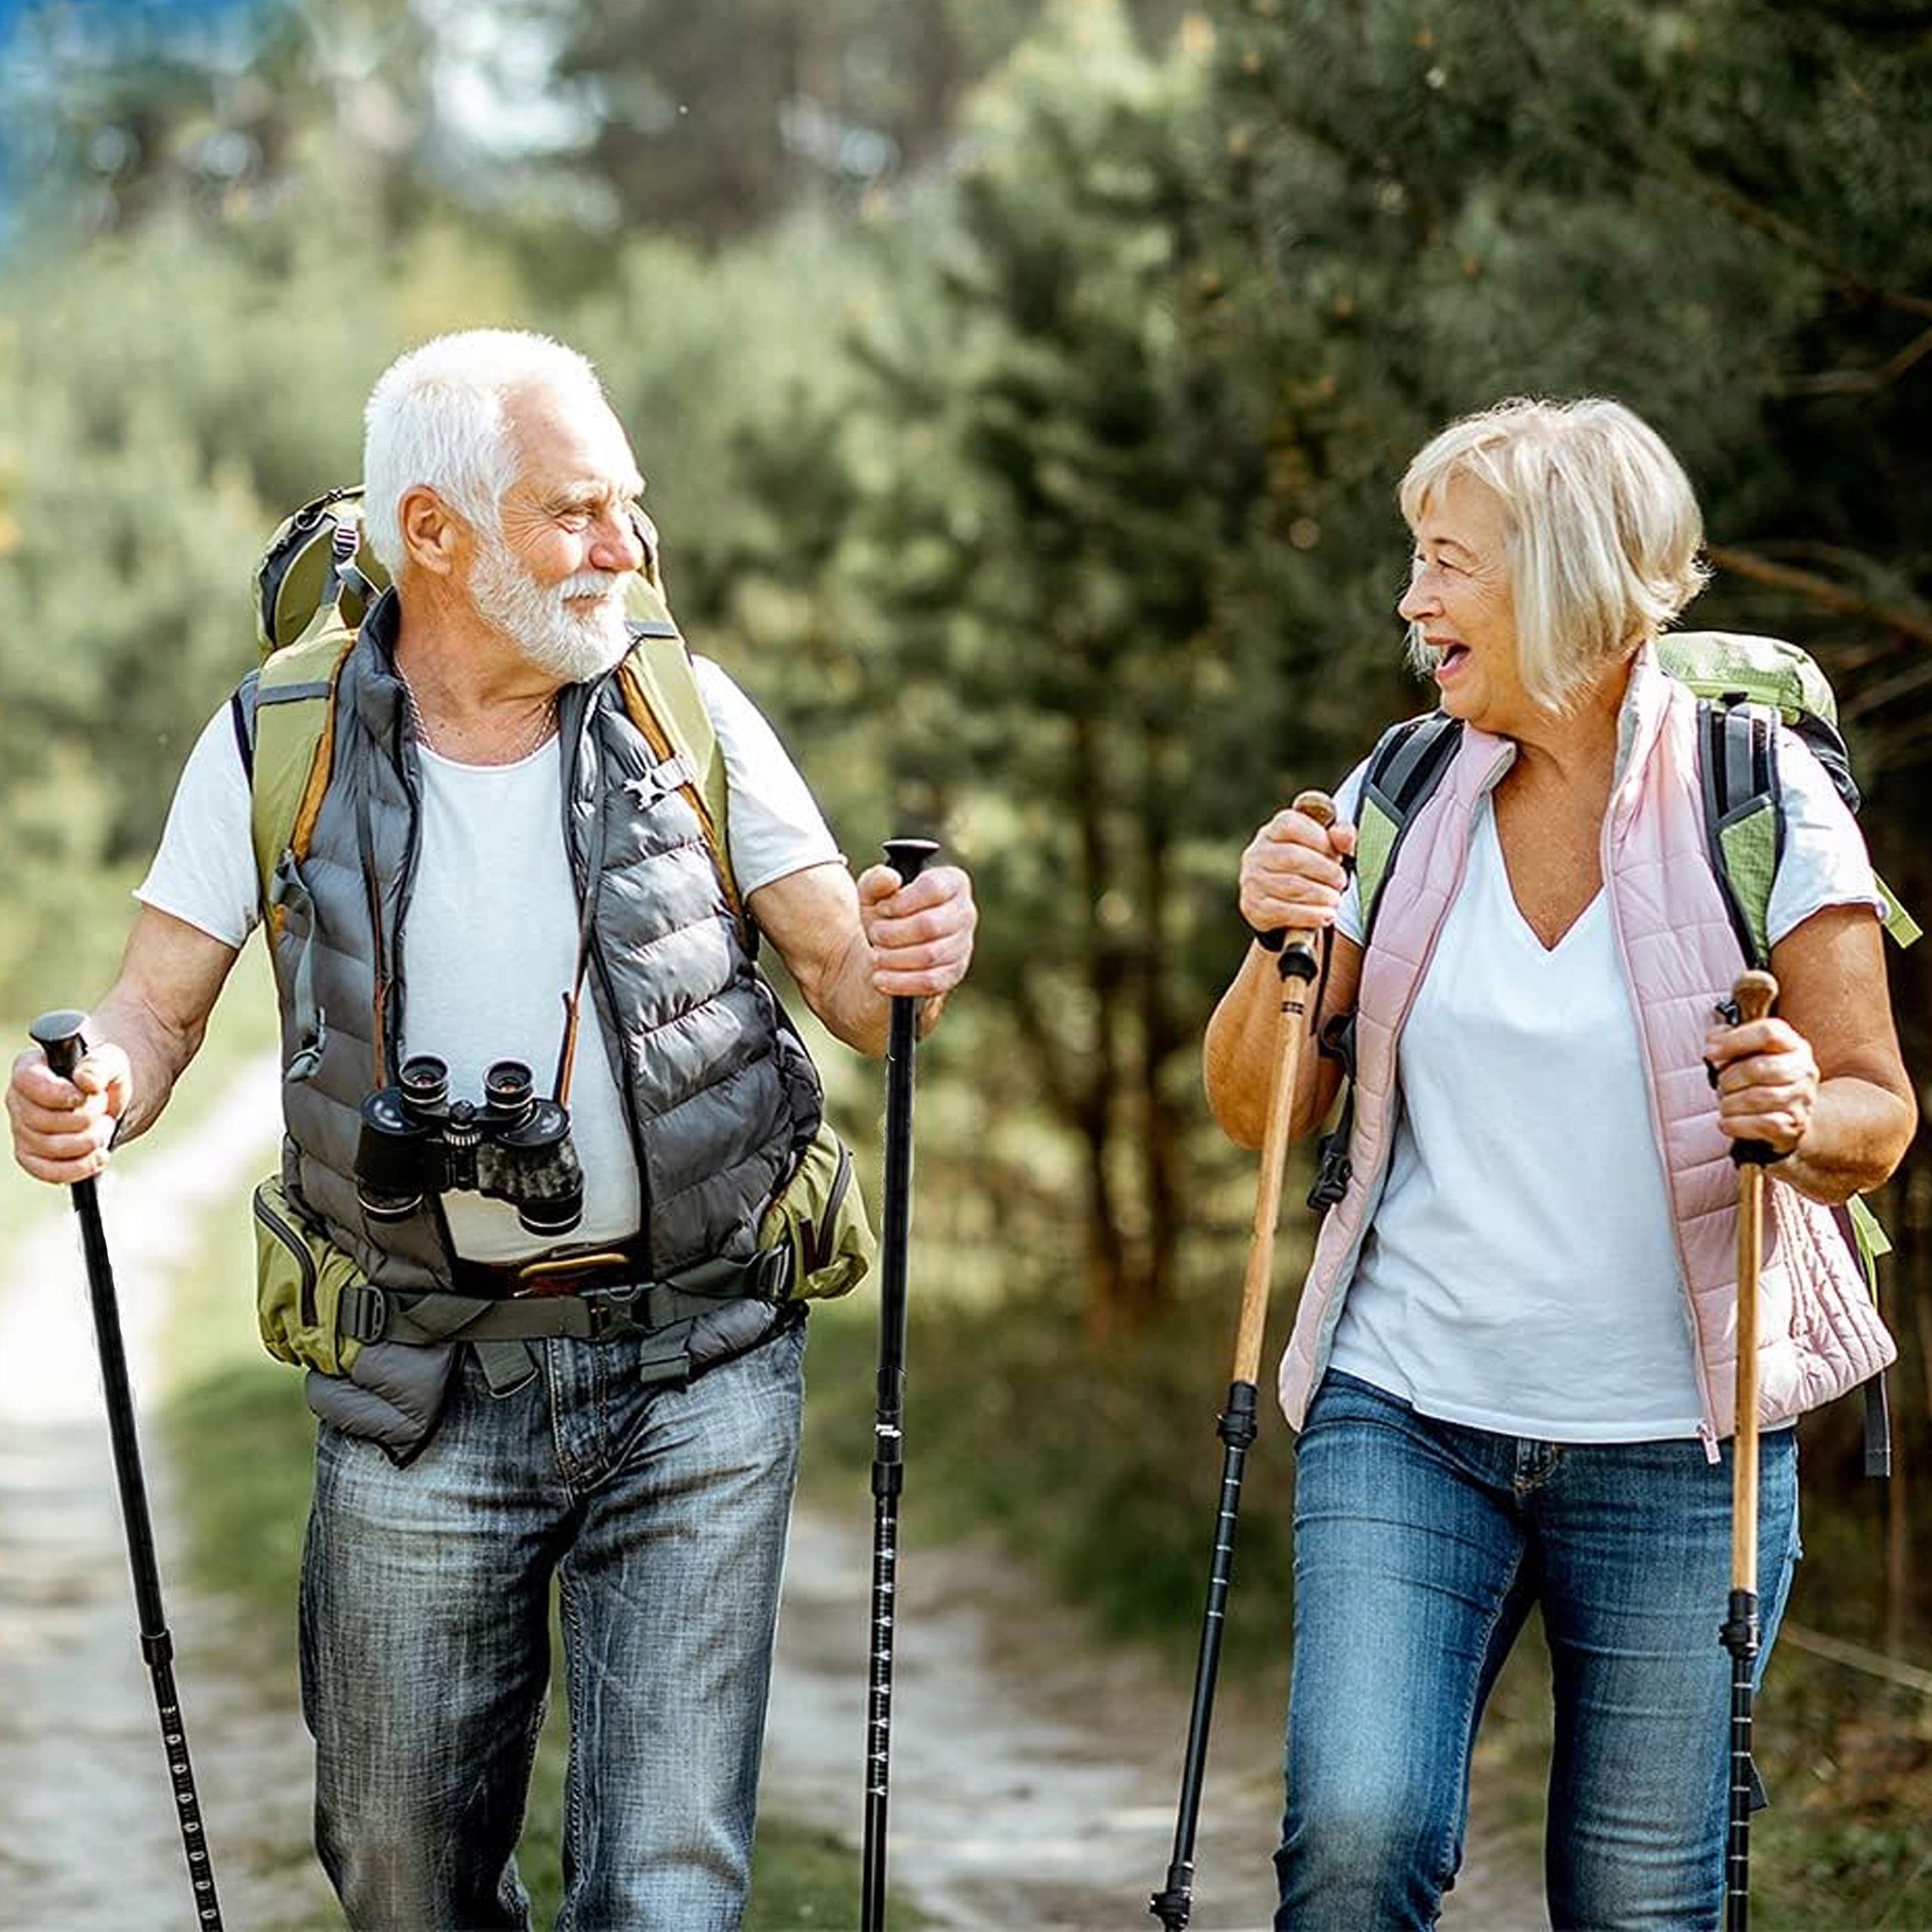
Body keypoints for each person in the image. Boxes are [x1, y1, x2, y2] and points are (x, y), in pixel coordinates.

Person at [5, 328, 977, 1931]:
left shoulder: (686, 707)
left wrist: (921, 944)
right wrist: (87, 1083)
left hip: (698, 1359)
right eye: (575, 510)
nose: (627, 546)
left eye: (628, 504)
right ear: (434, 533)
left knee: (663, 1887)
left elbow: (855, 986)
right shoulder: (279, 738)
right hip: (416, 1375)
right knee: (402, 1877)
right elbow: (154, 1009)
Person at [1204, 395, 1915, 1930]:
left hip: (1676, 1446)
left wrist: (1795, 1111)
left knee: (1639, 1904)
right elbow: (1255, 1109)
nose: (1411, 601)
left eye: (1445, 563)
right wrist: (1273, 943)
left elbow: (1875, 1112)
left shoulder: (1756, 796)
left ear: (1566, 579)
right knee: (1351, 1836)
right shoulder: (1399, 788)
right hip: (1409, 1416)